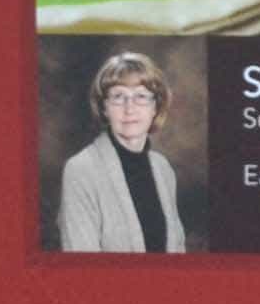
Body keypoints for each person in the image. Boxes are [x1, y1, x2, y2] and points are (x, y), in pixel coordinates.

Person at [58, 50, 187, 252]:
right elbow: (81, 265)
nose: (130, 108)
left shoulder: (163, 168)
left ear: (156, 107)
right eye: (118, 96)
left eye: (141, 96)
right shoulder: (80, 169)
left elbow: (177, 249)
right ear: (104, 107)